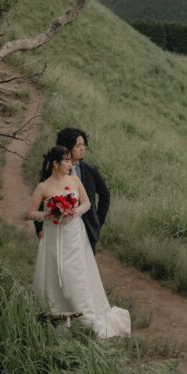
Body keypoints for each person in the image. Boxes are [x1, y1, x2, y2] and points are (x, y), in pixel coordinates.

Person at [27, 144, 130, 338]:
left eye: (69, 160)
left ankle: (85, 316)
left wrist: (73, 212)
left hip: (74, 234)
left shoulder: (74, 180)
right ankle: (56, 315)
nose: (70, 163)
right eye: (66, 160)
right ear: (56, 164)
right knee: (55, 271)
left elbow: (87, 203)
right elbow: (31, 212)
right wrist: (50, 215)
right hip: (53, 236)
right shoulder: (43, 187)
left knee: (77, 272)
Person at [33, 127, 110, 254]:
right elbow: (40, 202)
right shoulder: (52, 171)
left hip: (88, 229)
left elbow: (105, 195)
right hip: (58, 230)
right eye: (78, 145)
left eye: (83, 145)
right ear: (67, 148)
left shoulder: (90, 170)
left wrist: (98, 220)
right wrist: (39, 229)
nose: (82, 148)